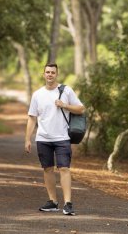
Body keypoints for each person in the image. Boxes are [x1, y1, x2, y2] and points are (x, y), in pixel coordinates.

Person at [24, 63, 85, 216]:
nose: (50, 74)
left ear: (56, 74)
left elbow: (81, 108)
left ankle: (68, 203)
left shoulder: (66, 90)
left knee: (64, 168)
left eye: (53, 72)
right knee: (47, 169)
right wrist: (27, 139)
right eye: (47, 72)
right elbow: (32, 118)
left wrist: (65, 105)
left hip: (62, 138)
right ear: (43, 74)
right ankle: (52, 202)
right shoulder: (37, 94)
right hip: (43, 138)